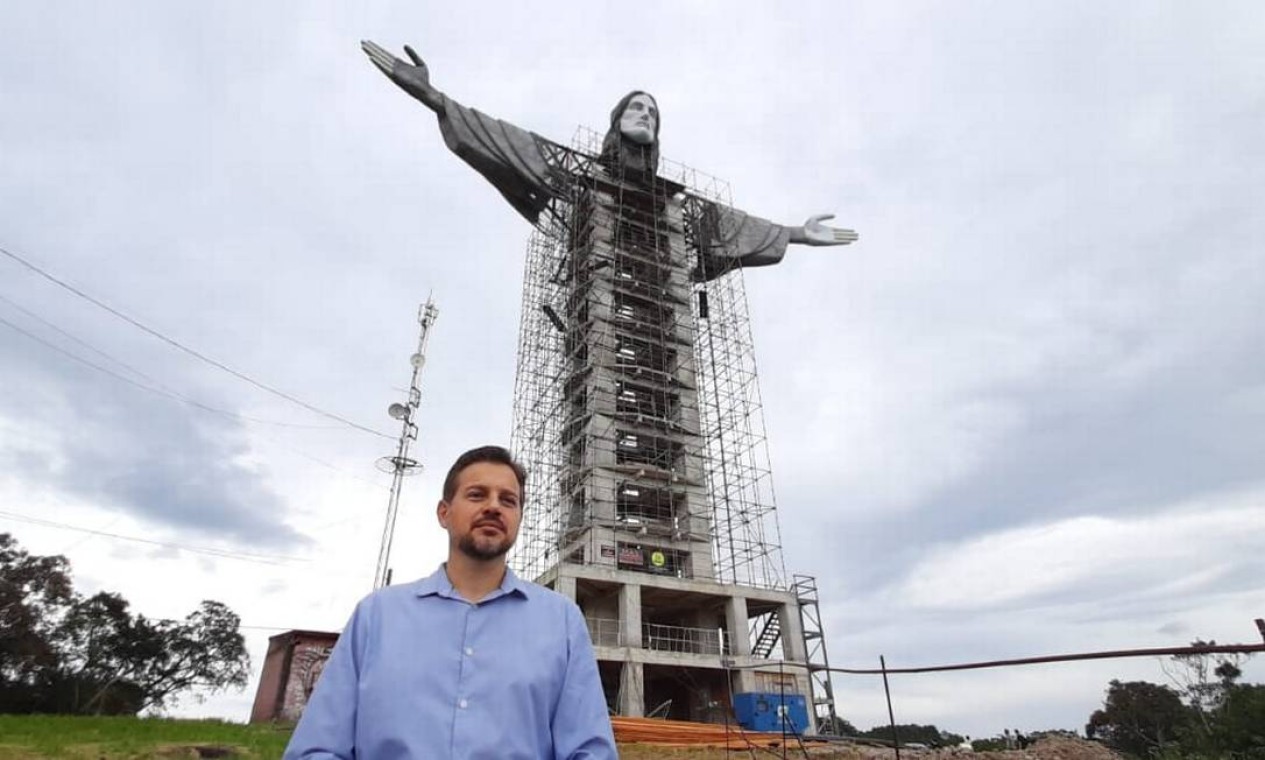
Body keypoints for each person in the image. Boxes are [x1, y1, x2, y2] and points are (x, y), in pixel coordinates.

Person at [359, 41, 857, 281]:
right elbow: (506, 141)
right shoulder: (576, 174)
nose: (645, 115)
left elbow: (735, 224)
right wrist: (435, 98)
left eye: (653, 113)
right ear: (616, 121)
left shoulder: (678, 205)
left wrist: (796, 232)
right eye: (635, 108)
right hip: (596, 281)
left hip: (657, 296)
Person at [283, 445, 617, 759]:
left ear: (518, 518)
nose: (493, 507)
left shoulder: (561, 622)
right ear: (444, 512)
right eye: (476, 495)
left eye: (508, 500)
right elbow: (318, 748)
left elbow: (590, 750)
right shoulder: (377, 617)